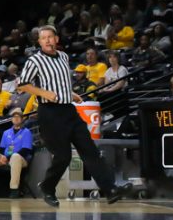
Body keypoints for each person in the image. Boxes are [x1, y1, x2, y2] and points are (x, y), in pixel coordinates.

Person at [17, 25, 133, 207]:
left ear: (56, 39)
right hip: (50, 113)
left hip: (69, 110)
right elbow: (22, 85)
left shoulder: (63, 56)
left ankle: (110, 189)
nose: (47, 40)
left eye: (50, 37)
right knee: (63, 157)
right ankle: (48, 186)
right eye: (43, 38)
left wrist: (70, 93)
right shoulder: (35, 60)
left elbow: (60, 81)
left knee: (90, 150)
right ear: (39, 42)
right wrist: (44, 93)